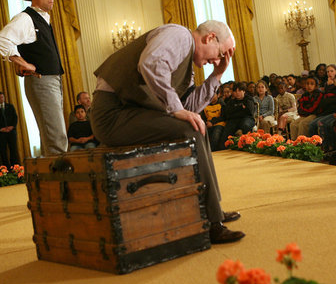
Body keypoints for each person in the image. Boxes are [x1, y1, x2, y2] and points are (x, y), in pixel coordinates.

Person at [90, 20, 244, 244]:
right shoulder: (179, 35)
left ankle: (214, 210)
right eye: (220, 54)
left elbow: (189, 109)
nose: (217, 61)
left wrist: (217, 76)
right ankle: (212, 222)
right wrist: (176, 109)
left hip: (132, 113)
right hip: (113, 114)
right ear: (209, 38)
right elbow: (151, 63)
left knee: (195, 124)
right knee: (191, 128)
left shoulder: (187, 66)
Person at [0, 0, 67, 156]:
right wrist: (23, 63)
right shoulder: (26, 18)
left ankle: (54, 179)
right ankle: (63, 180)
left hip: (52, 80)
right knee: (56, 136)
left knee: (53, 134)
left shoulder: (43, 19)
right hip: (42, 82)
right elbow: (2, 40)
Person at [218, 82, 256, 149]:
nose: (237, 93)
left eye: (240, 90)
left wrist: (235, 110)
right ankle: (223, 148)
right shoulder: (231, 101)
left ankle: (246, 145)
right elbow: (228, 114)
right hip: (234, 119)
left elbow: (250, 112)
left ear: (244, 91)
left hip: (248, 118)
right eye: (235, 91)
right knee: (227, 129)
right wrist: (241, 108)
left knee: (245, 125)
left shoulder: (248, 99)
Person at [0, 92, 19, 167]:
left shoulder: (10, 106)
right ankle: (6, 168)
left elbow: (15, 118)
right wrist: (0, 129)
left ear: (4, 98)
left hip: (11, 132)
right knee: (3, 151)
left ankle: (15, 167)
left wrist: (12, 126)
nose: (1, 99)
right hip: (1, 133)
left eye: (2, 97)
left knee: (13, 150)